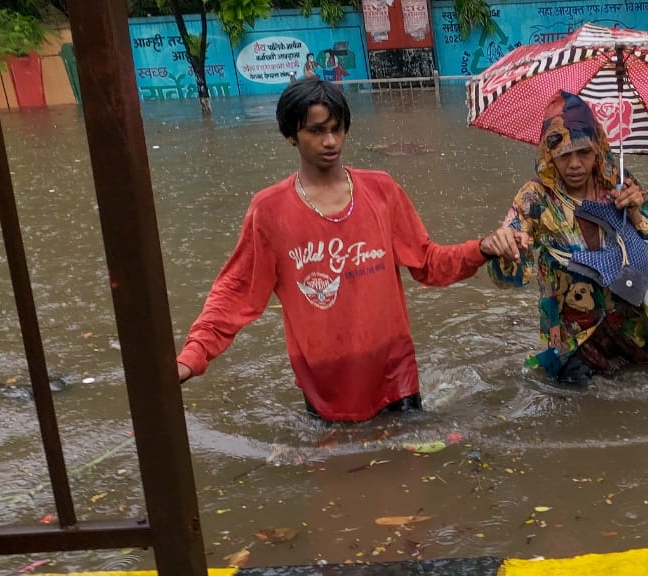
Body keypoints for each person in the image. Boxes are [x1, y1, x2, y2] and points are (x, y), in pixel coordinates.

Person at [175, 77, 529, 421]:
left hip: (395, 375)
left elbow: (429, 263)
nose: (330, 141)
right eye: (315, 131)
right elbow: (235, 294)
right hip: (325, 387)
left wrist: (483, 248)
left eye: (337, 128)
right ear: (289, 136)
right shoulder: (269, 211)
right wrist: (192, 356)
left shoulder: (382, 191)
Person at [488, 90, 648, 386]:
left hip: (633, 326)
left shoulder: (617, 181)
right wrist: (505, 250)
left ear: (598, 148)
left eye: (584, 152)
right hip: (574, 339)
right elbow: (510, 277)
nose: (576, 164)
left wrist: (636, 213)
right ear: (549, 154)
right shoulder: (535, 197)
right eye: (564, 155)